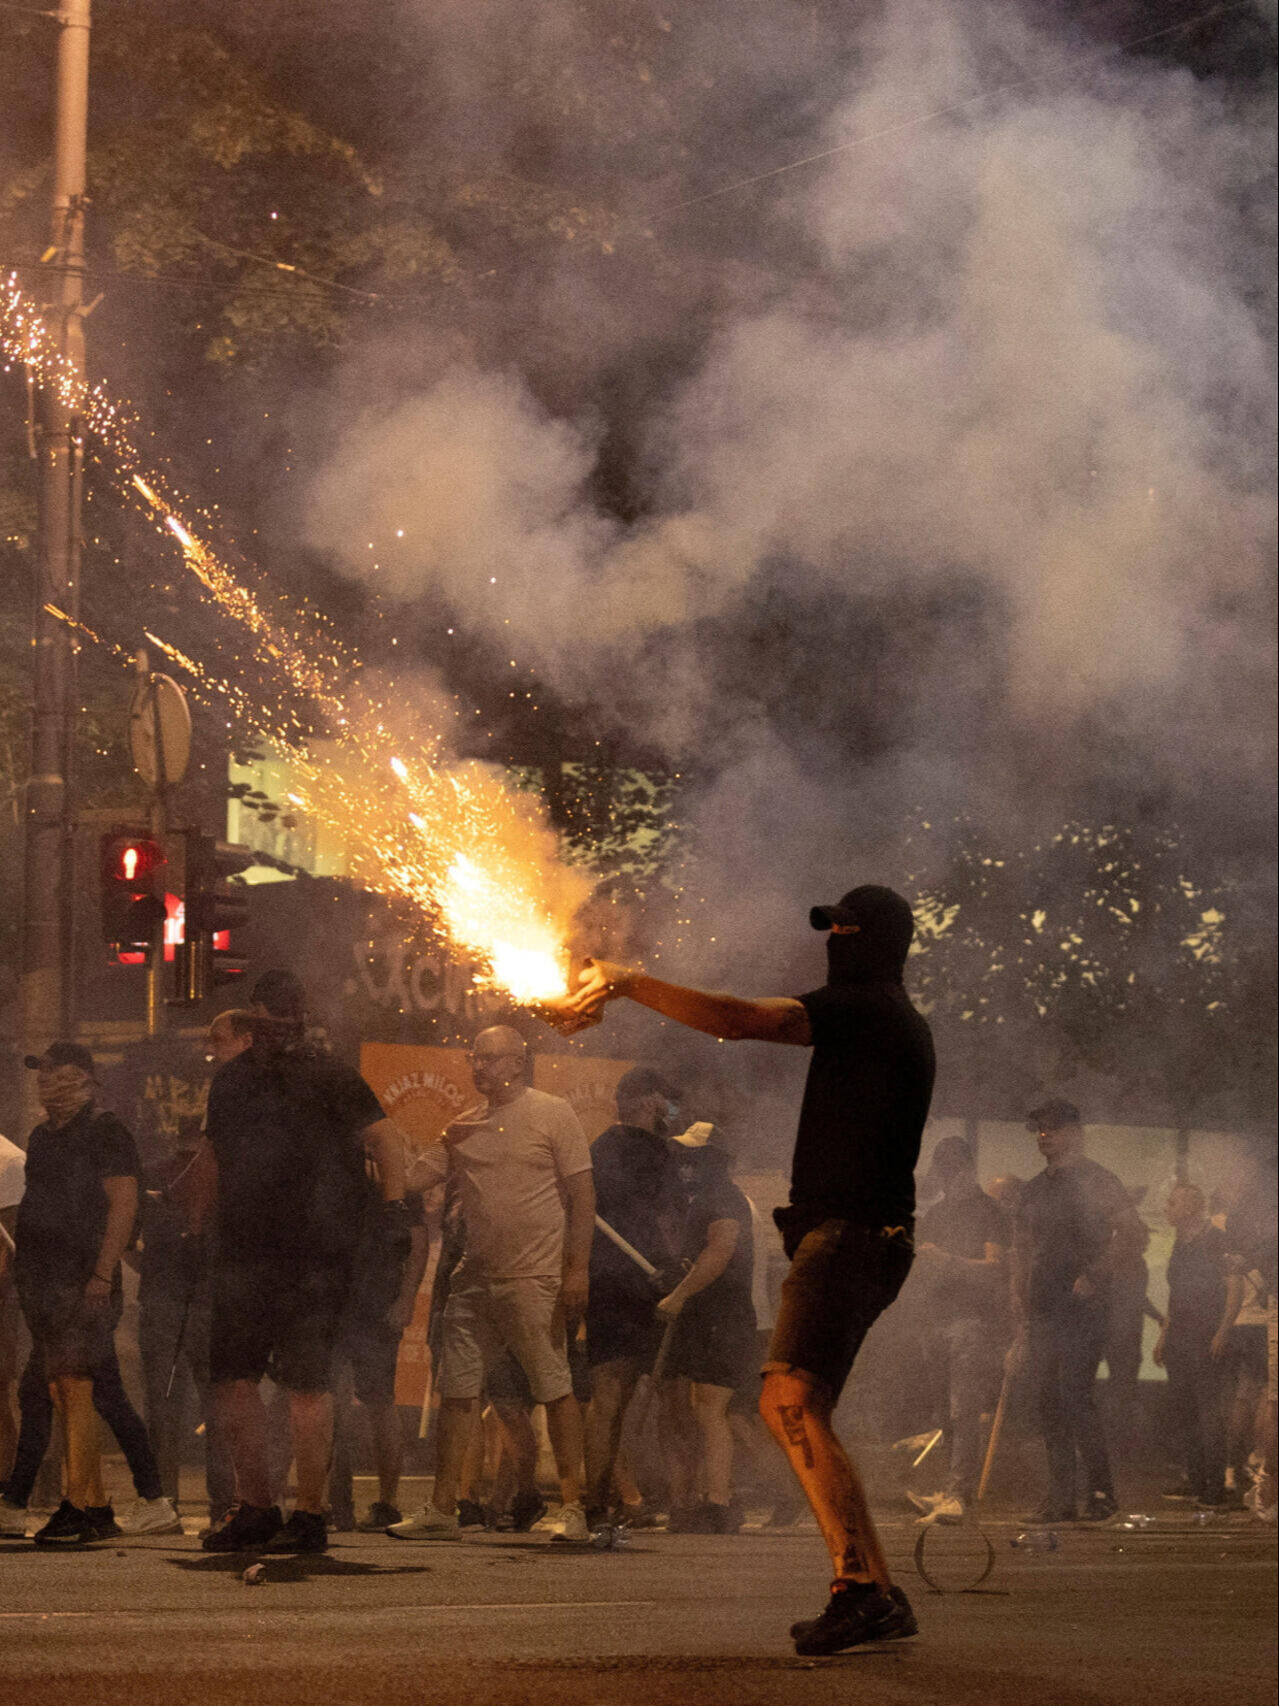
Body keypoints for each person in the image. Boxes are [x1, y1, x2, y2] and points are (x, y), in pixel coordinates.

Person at [562, 882, 932, 1655]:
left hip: (851, 1234)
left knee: (789, 1402)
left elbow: (737, 1019)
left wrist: (629, 980)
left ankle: (863, 1588)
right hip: (855, 1236)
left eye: (841, 929)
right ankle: (869, 1587)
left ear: (871, 940)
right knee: (793, 1403)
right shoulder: (879, 1017)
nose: (829, 941)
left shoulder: (871, 1008)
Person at [196, 988, 410, 1555]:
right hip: (246, 1252)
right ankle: (259, 1507)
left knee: (308, 1383)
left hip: (313, 1255)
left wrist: (394, 1211)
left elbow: (387, 1138)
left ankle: (310, 1513)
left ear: (294, 1024)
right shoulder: (232, 1081)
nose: (267, 1033)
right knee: (234, 1380)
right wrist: (190, 1224)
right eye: (258, 1024)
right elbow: (216, 1158)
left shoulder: (329, 1075)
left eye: (275, 1023)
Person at [390, 1025, 595, 1543]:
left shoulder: (552, 1112)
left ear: (516, 1062)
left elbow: (583, 1197)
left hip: (535, 1277)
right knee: (457, 1391)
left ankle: (573, 1506)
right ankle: (442, 1506)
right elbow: (414, 1178)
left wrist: (577, 1269)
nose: (477, 1067)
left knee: (554, 1386)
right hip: (474, 1280)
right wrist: (374, 1147)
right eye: (473, 1058)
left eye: (488, 1058)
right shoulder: (463, 1126)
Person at [2, 1043, 173, 1545]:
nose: (45, 1079)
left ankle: (82, 1504)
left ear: (82, 1076)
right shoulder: (41, 1136)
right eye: (41, 1070)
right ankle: (109, 1504)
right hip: (45, 1286)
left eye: (54, 1070)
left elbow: (123, 1203)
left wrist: (101, 1275)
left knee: (72, 1388)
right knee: (74, 1391)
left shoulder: (104, 1129)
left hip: (82, 1285)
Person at [1009, 1099, 1146, 1524]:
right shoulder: (1033, 1189)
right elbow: (1022, 1247)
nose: (1042, 1136)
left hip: (1084, 1307)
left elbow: (1135, 1234)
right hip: (1044, 1308)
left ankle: (1102, 1493)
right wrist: (1018, 1298)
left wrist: (1097, 1274)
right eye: (1038, 1130)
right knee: (1048, 1400)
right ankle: (1062, 1497)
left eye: (1050, 1128)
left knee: (1075, 1395)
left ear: (1074, 1132)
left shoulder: (1099, 1180)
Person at [583, 1065, 683, 1528]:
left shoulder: (599, 1148)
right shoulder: (654, 1153)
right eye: (667, 1101)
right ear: (648, 1102)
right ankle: (600, 1498)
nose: (671, 1111)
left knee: (614, 1394)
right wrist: (673, 1269)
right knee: (622, 1394)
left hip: (606, 1279)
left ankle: (602, 1499)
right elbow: (667, 1218)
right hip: (635, 1283)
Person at [657, 1123, 757, 1534]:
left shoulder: (723, 1198)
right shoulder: (696, 1200)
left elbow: (721, 1250)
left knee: (711, 1409)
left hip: (724, 1317)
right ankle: (697, 1499)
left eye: (695, 1156)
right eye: (683, 1156)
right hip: (703, 1318)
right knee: (693, 1410)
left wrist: (679, 1295)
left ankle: (719, 1502)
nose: (686, 1163)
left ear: (714, 1160)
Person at [908, 1133, 1008, 1521]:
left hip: (972, 1320)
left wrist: (947, 1261)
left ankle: (959, 1494)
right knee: (945, 1411)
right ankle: (951, 1488)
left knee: (963, 1409)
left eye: (953, 1169)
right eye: (944, 1170)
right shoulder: (936, 1214)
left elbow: (996, 1267)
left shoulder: (989, 1211)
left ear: (968, 1169)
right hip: (936, 1319)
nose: (949, 1178)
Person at [330, 1177, 430, 1531]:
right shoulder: (340, 1165)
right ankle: (335, 1501)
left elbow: (418, 1244)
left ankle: (387, 1502)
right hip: (336, 1301)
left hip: (376, 1303)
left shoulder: (398, 1178)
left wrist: (405, 1300)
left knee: (379, 1403)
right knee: (331, 1401)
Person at [1153, 1184, 1230, 1509]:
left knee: (1209, 1412)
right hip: (1181, 1337)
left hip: (1205, 1335)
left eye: (1172, 1203)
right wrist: (1163, 1335)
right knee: (1186, 1411)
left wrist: (1222, 1332)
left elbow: (1232, 1288)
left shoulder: (1215, 1240)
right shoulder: (1181, 1244)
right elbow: (1176, 1294)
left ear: (1190, 1206)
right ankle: (1196, 1479)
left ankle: (1215, 1485)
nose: (1166, 1208)